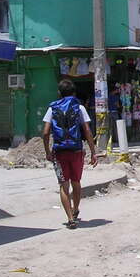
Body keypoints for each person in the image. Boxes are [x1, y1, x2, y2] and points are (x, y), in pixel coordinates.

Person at [42, 79, 98, 230]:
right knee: (76, 182)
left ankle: (70, 218)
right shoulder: (79, 108)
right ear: (74, 93)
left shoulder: (52, 108)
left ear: (59, 93)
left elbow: (46, 132)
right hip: (76, 150)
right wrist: (93, 152)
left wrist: (48, 151)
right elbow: (87, 130)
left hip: (59, 152)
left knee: (63, 185)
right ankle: (75, 209)